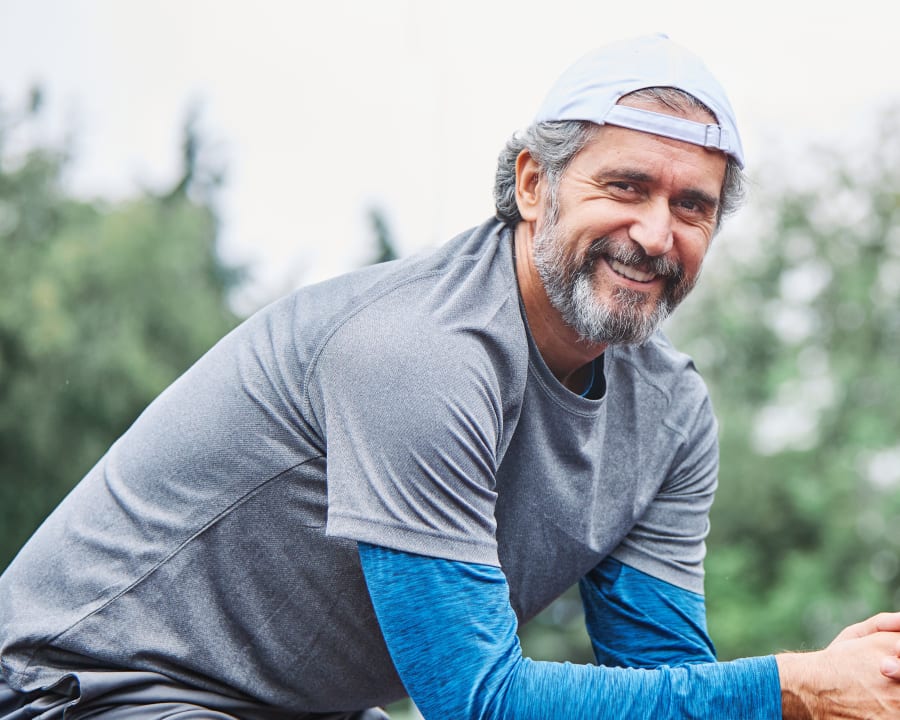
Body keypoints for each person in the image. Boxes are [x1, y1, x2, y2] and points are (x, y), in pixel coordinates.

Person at [1, 33, 899, 720]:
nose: (657, 234)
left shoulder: (670, 416)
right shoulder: (419, 354)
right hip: (81, 688)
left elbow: (665, 683)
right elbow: (478, 701)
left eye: (691, 206)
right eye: (625, 187)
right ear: (534, 184)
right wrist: (795, 687)